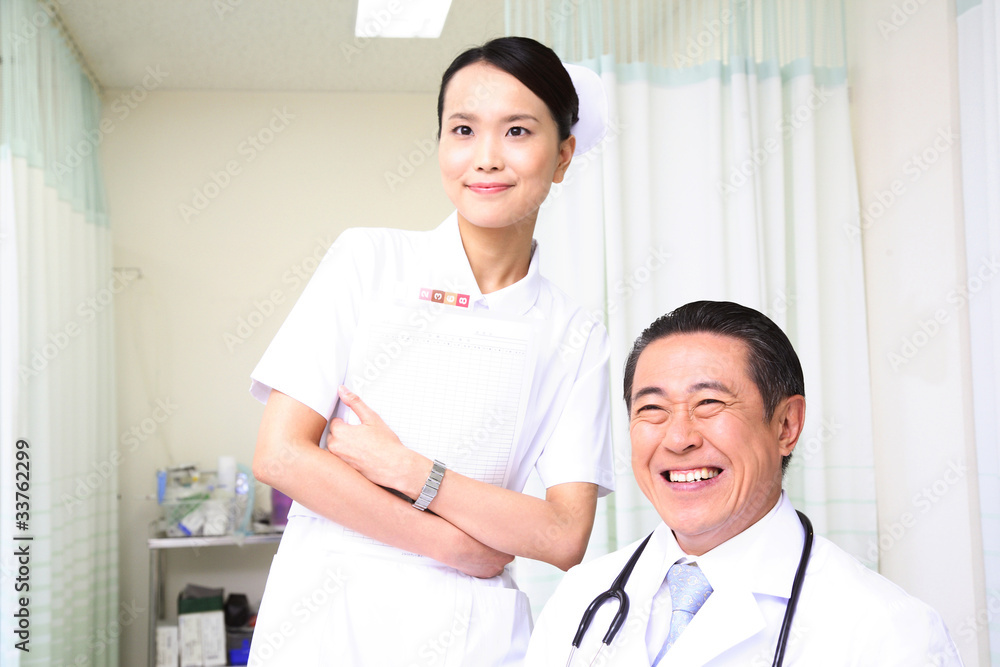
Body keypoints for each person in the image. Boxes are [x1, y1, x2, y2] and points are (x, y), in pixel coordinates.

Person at [247, 36, 615, 666]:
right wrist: (452, 544)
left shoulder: (576, 335)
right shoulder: (368, 261)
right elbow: (281, 455)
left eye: (518, 131)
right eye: (463, 130)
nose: (486, 158)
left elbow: (562, 535)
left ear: (562, 156)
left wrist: (409, 470)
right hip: (328, 613)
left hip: (468, 630)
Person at [526, 301, 962, 666]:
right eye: (652, 409)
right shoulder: (581, 600)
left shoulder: (889, 631)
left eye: (709, 402)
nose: (678, 438)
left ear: (786, 425)